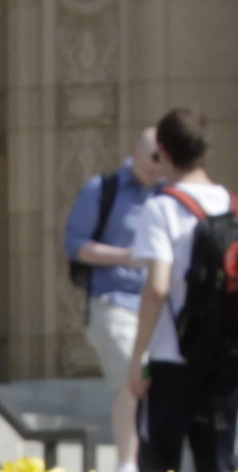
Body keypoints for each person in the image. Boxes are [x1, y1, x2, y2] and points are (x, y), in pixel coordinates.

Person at [123, 113, 238, 472]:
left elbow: (158, 287)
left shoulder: (162, 209)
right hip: (225, 366)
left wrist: (138, 358)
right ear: (206, 150)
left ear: (163, 153)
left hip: (172, 362)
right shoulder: (236, 208)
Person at [69, 119, 179, 442]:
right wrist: (125, 255)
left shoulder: (169, 197)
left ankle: (146, 463)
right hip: (113, 300)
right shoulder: (102, 190)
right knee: (135, 379)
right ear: (135, 154)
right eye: (152, 157)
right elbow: (75, 245)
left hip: (156, 307)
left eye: (164, 158)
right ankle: (128, 465)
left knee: (155, 383)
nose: (157, 166)